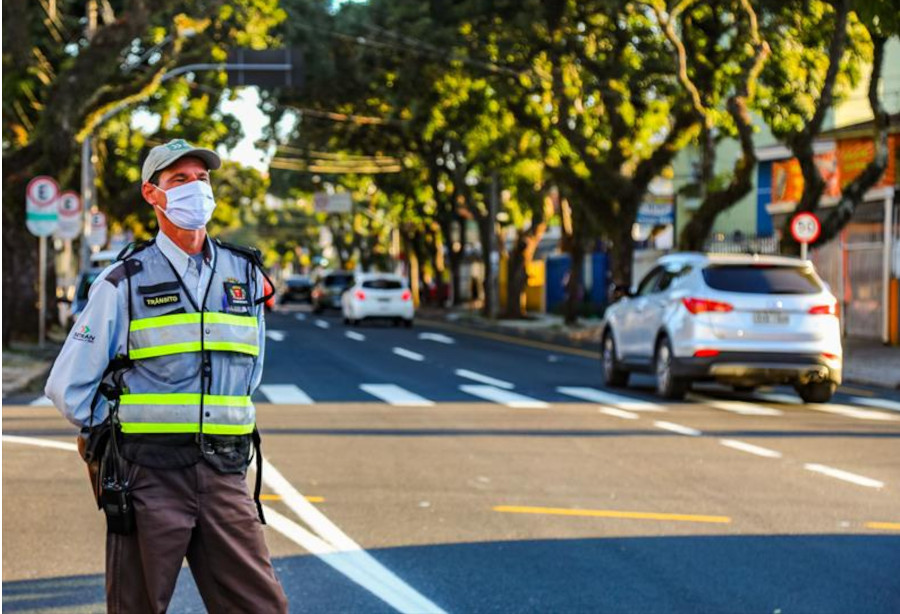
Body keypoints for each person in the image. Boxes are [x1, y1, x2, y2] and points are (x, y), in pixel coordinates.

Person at [45, 138, 289, 613]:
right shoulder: (124, 281)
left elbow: (248, 375)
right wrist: (112, 437)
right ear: (153, 194)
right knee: (137, 607)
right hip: (148, 473)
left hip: (225, 473)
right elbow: (67, 387)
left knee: (261, 607)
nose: (195, 189)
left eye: (202, 179)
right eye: (180, 180)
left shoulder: (243, 275)